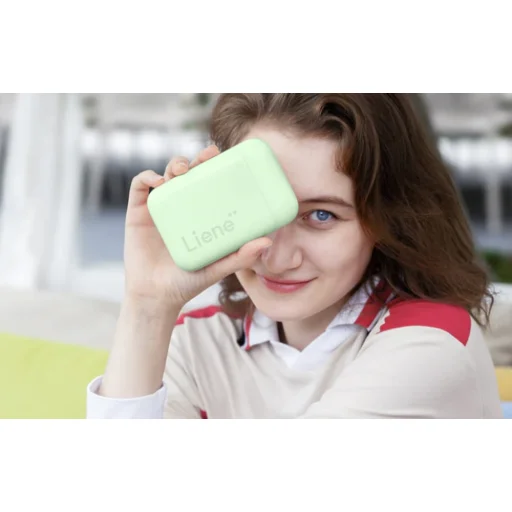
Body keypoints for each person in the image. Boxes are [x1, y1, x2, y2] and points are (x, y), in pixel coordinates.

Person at [86, 94, 503, 419]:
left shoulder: (429, 342)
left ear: (386, 218)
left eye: (321, 215)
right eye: (259, 209)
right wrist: (147, 305)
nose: (278, 257)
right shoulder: (198, 340)